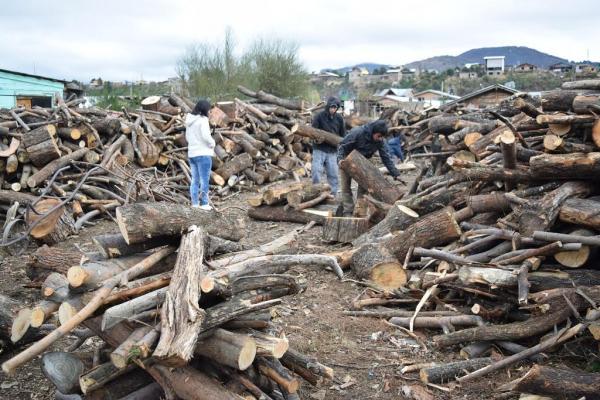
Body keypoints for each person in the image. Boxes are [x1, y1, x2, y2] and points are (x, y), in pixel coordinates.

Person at [337, 120, 403, 215]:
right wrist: (340, 160)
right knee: (345, 187)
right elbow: (342, 146)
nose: (380, 139)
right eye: (379, 136)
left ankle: (360, 210)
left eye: (382, 137)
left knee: (364, 187)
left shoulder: (380, 141)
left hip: (364, 161)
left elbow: (386, 158)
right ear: (373, 132)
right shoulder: (357, 133)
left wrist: (396, 174)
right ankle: (348, 210)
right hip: (347, 159)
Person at [311, 96, 345, 195]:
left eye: (335, 108)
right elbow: (312, 132)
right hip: (319, 149)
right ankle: (315, 192)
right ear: (328, 106)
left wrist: (342, 145)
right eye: (332, 107)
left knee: (333, 173)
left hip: (332, 150)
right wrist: (317, 140)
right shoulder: (319, 116)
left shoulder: (339, 118)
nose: (333, 109)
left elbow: (343, 135)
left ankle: (333, 193)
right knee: (316, 171)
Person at [185, 99, 215, 210]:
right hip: (203, 153)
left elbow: (187, 138)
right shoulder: (203, 120)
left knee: (195, 180)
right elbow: (206, 136)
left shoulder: (189, 121)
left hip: (192, 154)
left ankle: (195, 203)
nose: (210, 112)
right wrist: (212, 143)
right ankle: (204, 203)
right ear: (204, 109)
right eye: (209, 110)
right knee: (204, 179)